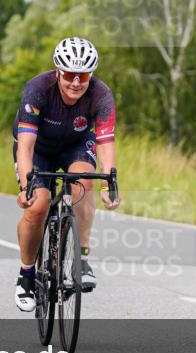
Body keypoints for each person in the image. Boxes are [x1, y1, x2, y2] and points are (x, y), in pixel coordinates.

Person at [12, 37, 120, 312]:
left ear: (90, 75)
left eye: (82, 75)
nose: (75, 82)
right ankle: (26, 276)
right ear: (58, 71)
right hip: (39, 147)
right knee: (38, 205)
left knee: (84, 182)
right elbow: (25, 145)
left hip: (75, 145)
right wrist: (26, 186)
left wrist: (110, 183)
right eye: (70, 74)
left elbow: (106, 142)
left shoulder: (102, 94)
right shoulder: (38, 88)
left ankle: (81, 259)